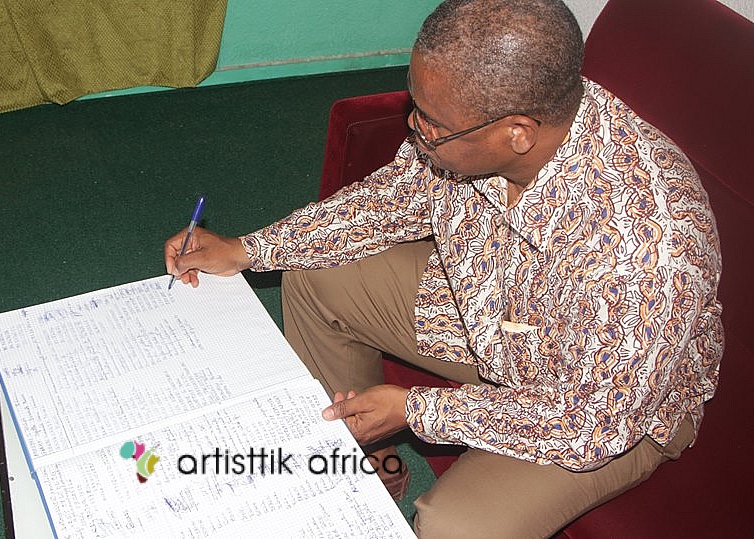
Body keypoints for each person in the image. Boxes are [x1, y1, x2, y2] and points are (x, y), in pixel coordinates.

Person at [164, 0, 723, 536]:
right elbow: (391, 199)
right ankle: (371, 465)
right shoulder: (482, 128)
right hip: (491, 315)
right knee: (317, 275)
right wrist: (248, 249)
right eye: (417, 106)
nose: (415, 129)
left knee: (456, 526)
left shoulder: (651, 249)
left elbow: (589, 422)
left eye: (431, 123)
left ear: (517, 133)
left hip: (603, 406)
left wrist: (418, 410)